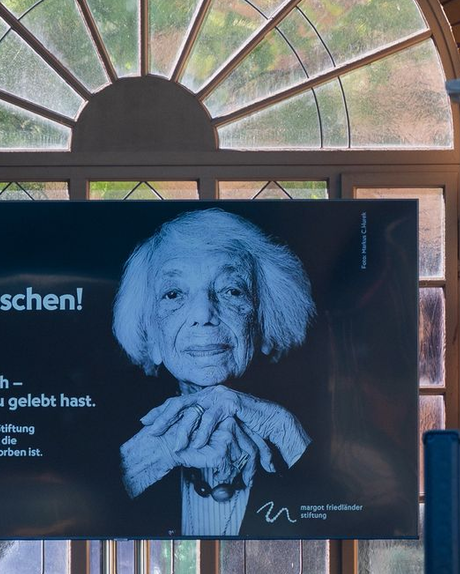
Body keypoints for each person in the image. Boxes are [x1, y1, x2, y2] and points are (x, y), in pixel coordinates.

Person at [114, 209, 316, 536]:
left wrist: (283, 429)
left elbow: (350, 517)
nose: (204, 313)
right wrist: (144, 462)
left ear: (264, 322)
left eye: (231, 290)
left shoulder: (314, 435)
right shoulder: (117, 451)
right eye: (174, 294)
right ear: (152, 337)